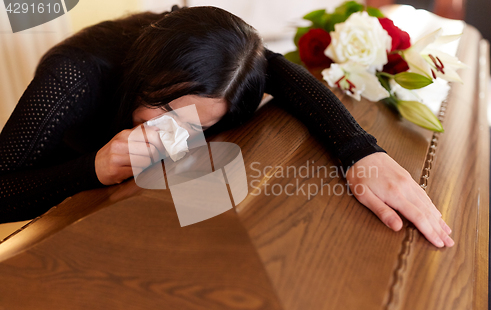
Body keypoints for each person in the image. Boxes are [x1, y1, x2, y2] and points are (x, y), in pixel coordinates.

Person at [0, 6, 453, 248]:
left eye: (194, 127)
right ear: (146, 78)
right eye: (163, 110)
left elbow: (280, 73)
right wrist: (91, 169)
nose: (171, 138)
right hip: (63, 178)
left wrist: (362, 153)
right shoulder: (73, 79)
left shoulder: (229, 71)